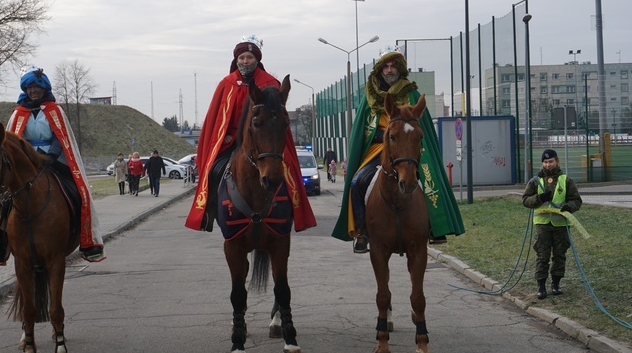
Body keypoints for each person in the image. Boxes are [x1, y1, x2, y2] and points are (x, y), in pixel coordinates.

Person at [333, 49, 465, 253]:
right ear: (380, 70)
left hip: (409, 148)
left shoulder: (411, 93)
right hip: (377, 149)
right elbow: (363, 132)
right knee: (356, 182)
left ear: (399, 69)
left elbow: (423, 128)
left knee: (430, 181)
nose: (389, 70)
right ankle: (362, 232)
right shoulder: (369, 97)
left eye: (393, 66)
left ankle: (436, 228)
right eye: (385, 67)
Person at [184, 35, 316, 233]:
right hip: (232, 144)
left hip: (265, 142)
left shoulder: (271, 82)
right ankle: (208, 212)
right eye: (242, 58)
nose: (245, 61)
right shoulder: (226, 84)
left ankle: (293, 212)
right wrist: (226, 135)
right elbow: (217, 119)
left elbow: (277, 117)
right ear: (237, 60)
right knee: (212, 172)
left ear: (257, 60)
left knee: (288, 172)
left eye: (249, 58)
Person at [0, 67, 105, 263]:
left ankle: (87, 240)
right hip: (26, 162)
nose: (33, 91)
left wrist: (51, 155)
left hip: (53, 161)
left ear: (44, 89)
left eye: (37, 87)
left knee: (80, 193)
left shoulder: (55, 110)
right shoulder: (18, 113)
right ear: (25, 90)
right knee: (5, 197)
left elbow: (60, 137)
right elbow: (13, 140)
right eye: (30, 88)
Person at [522, 149, 582, 299]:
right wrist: (539, 198)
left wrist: (569, 207)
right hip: (542, 225)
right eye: (545, 162)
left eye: (551, 161)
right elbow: (525, 200)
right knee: (542, 256)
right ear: (542, 163)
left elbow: (576, 200)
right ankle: (541, 286)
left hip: (561, 225)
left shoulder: (566, 180)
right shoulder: (535, 181)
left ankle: (556, 284)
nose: (548, 165)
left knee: (559, 255)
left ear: (557, 162)